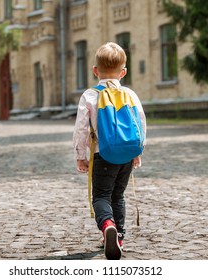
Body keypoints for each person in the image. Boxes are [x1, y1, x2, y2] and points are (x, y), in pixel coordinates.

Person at [73, 42, 147, 260]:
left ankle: (107, 226)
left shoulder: (90, 96)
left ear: (95, 70)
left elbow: (81, 128)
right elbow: (140, 124)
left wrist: (80, 156)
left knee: (101, 195)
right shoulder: (130, 95)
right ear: (123, 72)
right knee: (118, 195)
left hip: (102, 155)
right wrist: (138, 151)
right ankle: (119, 237)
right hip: (126, 155)